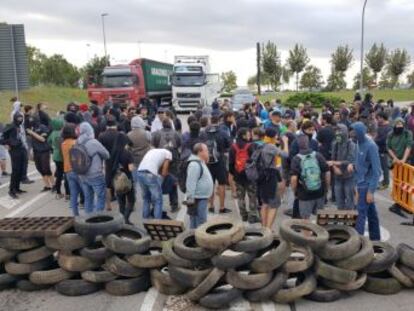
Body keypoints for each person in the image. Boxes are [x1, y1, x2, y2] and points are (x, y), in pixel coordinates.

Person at [351, 122, 382, 241]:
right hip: (360, 183)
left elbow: (377, 171)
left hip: (366, 185)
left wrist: (371, 191)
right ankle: (376, 240)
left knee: (360, 216)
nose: (351, 134)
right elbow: (359, 164)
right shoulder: (358, 143)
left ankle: (358, 244)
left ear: (360, 132)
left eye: (354, 132)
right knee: (372, 215)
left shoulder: (371, 146)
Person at [290, 135, 330, 220]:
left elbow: (294, 179)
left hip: (304, 194)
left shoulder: (296, 159)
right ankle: (320, 233)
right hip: (320, 191)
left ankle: (307, 233)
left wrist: (294, 191)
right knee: (320, 217)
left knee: (305, 220)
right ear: (308, 143)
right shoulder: (318, 155)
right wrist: (326, 188)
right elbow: (327, 172)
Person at [200, 115, 231, 214]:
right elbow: (229, 145)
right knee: (221, 184)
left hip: (208, 162)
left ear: (210, 120)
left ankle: (211, 206)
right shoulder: (223, 132)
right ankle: (222, 207)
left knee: (210, 184)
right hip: (220, 161)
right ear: (219, 121)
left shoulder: (204, 133)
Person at [258, 128, 289, 228]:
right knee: (274, 204)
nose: (277, 137)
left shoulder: (262, 144)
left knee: (265, 203)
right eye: (276, 135)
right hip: (270, 177)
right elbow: (285, 154)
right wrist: (285, 142)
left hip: (262, 176)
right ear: (273, 136)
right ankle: (268, 228)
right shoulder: (271, 146)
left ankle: (263, 227)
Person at [77, 122, 109, 213]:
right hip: (95, 174)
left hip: (82, 174)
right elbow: (107, 155)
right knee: (100, 196)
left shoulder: (77, 142)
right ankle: (98, 219)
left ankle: (88, 219)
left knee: (88, 198)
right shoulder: (93, 142)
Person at [229, 128, 260, 223]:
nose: (249, 135)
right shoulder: (250, 146)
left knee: (240, 196)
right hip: (249, 175)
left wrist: (234, 173)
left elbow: (230, 163)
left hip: (238, 175)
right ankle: (253, 215)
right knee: (252, 196)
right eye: (248, 134)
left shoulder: (233, 147)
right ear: (243, 136)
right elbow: (254, 160)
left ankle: (243, 215)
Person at [98, 116, 129, 210]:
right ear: (115, 125)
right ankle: (126, 203)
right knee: (123, 181)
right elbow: (126, 148)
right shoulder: (121, 135)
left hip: (108, 162)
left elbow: (100, 151)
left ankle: (109, 205)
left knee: (108, 184)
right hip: (120, 161)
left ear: (106, 125)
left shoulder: (101, 136)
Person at [151, 119, 182, 213]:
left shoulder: (157, 134)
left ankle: (156, 205)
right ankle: (174, 205)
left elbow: (153, 146)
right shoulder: (176, 134)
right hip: (173, 161)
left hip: (160, 160)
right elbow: (180, 146)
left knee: (157, 182)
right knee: (173, 183)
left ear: (162, 125)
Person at [137, 148, 172, 219]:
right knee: (158, 200)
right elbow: (164, 172)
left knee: (146, 198)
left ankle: (145, 219)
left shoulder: (152, 151)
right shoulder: (168, 154)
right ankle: (157, 222)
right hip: (150, 173)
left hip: (139, 172)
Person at [185, 143, 214, 229]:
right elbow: (190, 184)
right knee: (200, 224)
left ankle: (195, 238)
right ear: (200, 152)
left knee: (199, 223)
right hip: (197, 200)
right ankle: (195, 240)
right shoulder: (194, 165)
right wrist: (190, 202)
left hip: (201, 198)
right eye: (206, 150)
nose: (208, 152)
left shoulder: (200, 162)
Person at [328, 124, 356, 210]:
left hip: (349, 176)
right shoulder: (335, 144)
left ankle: (350, 218)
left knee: (349, 198)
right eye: (336, 131)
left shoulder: (351, 144)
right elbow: (332, 159)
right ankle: (341, 217)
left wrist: (335, 163)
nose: (337, 133)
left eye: (339, 131)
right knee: (339, 199)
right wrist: (335, 168)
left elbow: (350, 160)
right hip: (337, 176)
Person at [0, 113, 27, 198]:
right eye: (18, 118)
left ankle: (17, 188)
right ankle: (11, 190)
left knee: (21, 169)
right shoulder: (10, 126)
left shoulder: (19, 126)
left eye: (21, 118)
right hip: (14, 150)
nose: (20, 119)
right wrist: (7, 144)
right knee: (15, 170)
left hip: (21, 148)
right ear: (15, 118)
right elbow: (1, 138)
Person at [27, 118, 54, 191]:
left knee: (46, 168)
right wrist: (31, 150)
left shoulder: (42, 127)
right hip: (36, 151)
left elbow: (43, 139)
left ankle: (54, 185)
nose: (31, 122)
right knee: (40, 168)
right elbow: (32, 140)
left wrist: (32, 133)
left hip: (44, 151)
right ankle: (47, 186)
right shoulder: (31, 128)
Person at [61, 125, 82, 216]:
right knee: (85, 191)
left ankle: (75, 214)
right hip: (77, 169)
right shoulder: (75, 142)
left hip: (68, 170)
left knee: (73, 194)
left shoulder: (63, 143)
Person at [114, 135, 135, 224]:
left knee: (121, 202)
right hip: (127, 179)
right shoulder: (127, 153)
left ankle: (121, 219)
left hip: (116, 179)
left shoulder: (113, 152)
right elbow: (131, 168)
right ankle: (125, 218)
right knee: (131, 200)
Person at [48, 118, 67, 199]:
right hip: (62, 155)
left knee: (59, 174)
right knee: (66, 174)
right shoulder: (61, 133)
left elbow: (48, 141)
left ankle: (58, 192)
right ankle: (68, 193)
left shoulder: (53, 133)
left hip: (55, 155)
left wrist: (53, 147)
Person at [375, 111, 393, 190]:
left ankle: (386, 183)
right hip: (379, 149)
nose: (377, 120)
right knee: (381, 167)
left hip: (384, 151)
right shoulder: (380, 126)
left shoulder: (389, 128)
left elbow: (384, 140)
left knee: (385, 167)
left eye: (378, 118)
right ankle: (382, 181)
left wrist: (374, 140)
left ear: (382, 118)